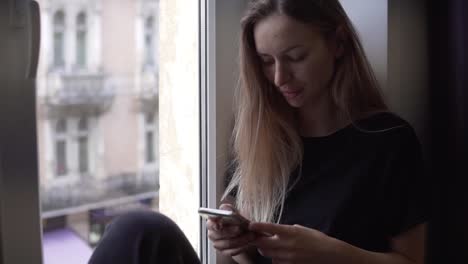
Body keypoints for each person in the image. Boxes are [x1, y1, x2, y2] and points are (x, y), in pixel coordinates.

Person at [89, 0, 429, 263]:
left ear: (338, 44)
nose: (280, 78)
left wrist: (331, 254)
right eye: (267, 61)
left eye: (295, 57)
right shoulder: (260, 136)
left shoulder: (388, 142)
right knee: (137, 230)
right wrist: (235, 242)